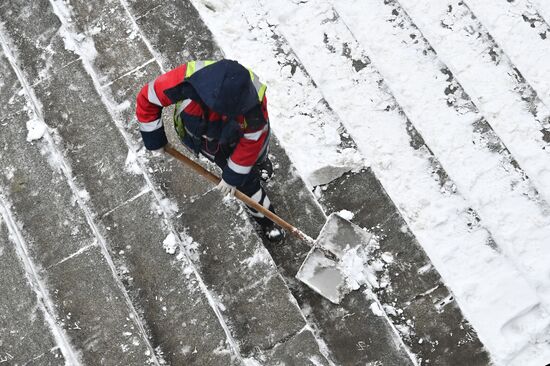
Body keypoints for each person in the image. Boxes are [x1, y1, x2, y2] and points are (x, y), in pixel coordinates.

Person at [135, 59, 284, 242]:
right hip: (201, 133)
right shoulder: (188, 78)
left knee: (251, 167)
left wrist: (232, 176)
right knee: (246, 181)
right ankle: (266, 217)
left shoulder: (253, 104)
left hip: (238, 135)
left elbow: (253, 139)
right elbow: (148, 98)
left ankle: (268, 219)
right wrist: (154, 138)